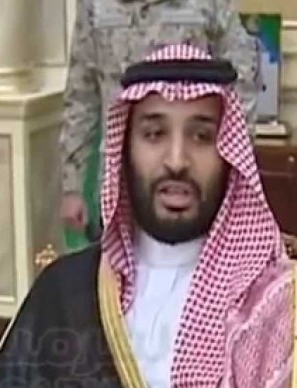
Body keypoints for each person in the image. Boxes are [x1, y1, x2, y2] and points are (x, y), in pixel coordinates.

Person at [0, 44, 297, 388]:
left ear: (229, 153)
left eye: (201, 137)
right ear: (124, 150)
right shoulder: (64, 294)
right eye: (154, 134)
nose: (177, 160)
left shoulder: (289, 303)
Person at [60, 0, 260, 250]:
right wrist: (72, 186)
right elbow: (81, 96)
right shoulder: (95, 5)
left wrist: (235, 167)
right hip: (118, 180)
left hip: (194, 181)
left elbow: (241, 82)